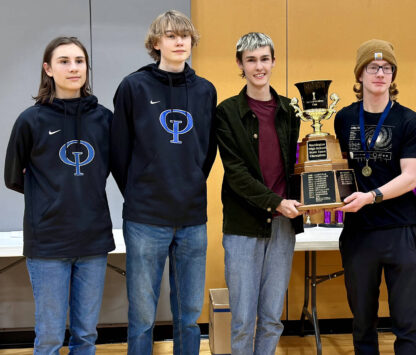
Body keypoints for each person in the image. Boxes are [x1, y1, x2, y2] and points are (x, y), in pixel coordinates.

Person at [110, 10, 217, 355]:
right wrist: (141, 192)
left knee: (188, 316)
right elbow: (120, 151)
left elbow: (207, 150)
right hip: (145, 218)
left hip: (191, 219)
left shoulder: (204, 91)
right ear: (156, 43)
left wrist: (189, 184)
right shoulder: (133, 87)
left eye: (184, 36)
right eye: (171, 36)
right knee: (142, 316)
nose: (179, 41)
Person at [4, 36, 114, 355]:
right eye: (64, 61)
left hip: (93, 241)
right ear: (48, 69)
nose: (73, 67)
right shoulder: (31, 120)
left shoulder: (104, 119)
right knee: (50, 338)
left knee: (85, 335)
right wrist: (52, 196)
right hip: (48, 243)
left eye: (79, 61)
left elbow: (111, 168)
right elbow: (14, 177)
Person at [334, 39, 416, 355]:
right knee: (362, 322)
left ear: (393, 75)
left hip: (399, 230)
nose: (380, 74)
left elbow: (410, 177)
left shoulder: (409, 120)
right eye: (373, 67)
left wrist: (371, 196)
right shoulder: (344, 118)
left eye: (387, 68)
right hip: (359, 233)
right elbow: (339, 170)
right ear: (360, 74)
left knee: (407, 320)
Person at [215, 32, 303, 355]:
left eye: (264, 58)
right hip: (242, 227)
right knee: (242, 320)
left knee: (271, 318)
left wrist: (311, 199)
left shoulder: (291, 111)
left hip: (283, 227)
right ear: (240, 64)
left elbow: (297, 165)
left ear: (274, 61)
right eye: (251, 60)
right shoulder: (226, 113)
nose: (259, 66)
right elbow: (236, 174)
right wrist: (276, 202)